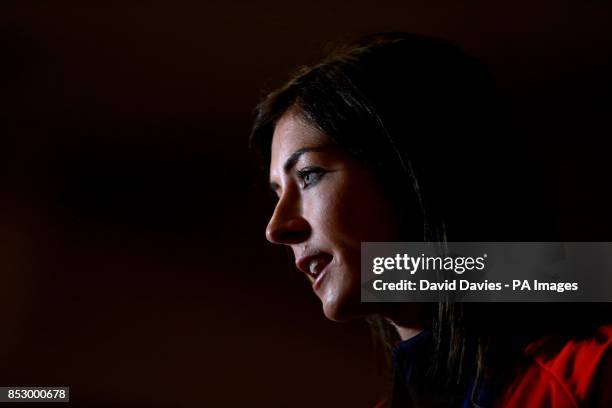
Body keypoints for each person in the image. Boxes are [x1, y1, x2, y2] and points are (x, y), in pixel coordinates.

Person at [250, 33, 612, 407]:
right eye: (278, 193)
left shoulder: (594, 376)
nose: (276, 228)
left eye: (308, 176)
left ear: (414, 168)